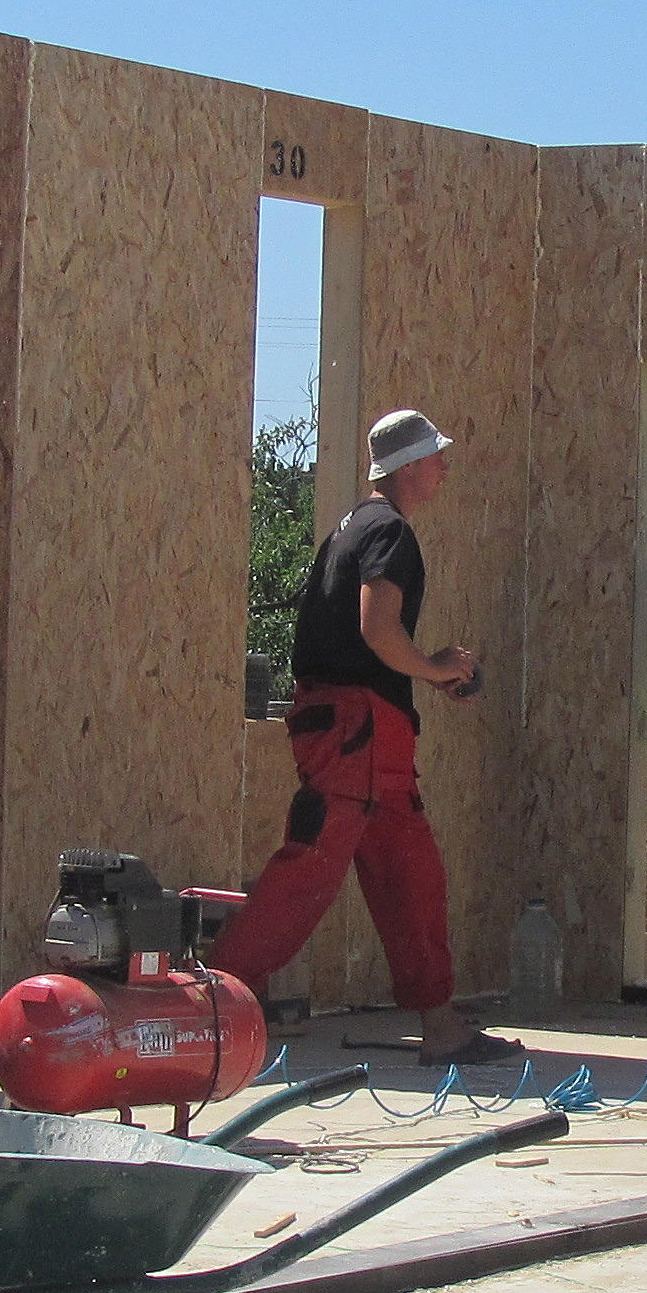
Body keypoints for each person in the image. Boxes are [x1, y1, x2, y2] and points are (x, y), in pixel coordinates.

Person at [208, 409, 517, 1065]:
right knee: (310, 873)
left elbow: (363, 640)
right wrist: (432, 667)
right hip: (359, 731)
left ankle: (439, 1023)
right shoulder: (389, 531)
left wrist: (425, 672)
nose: (445, 465)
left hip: (362, 728)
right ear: (408, 466)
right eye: (435, 455)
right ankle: (210, 1006)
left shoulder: (355, 525)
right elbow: (378, 630)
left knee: (412, 877)